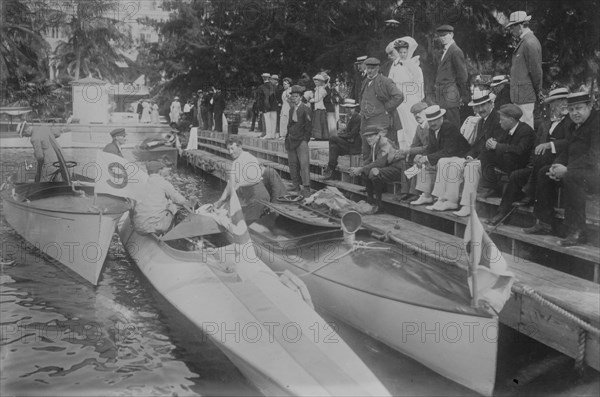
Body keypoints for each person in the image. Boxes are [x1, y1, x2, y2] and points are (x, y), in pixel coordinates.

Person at [523, 92, 599, 247]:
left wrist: (568, 169)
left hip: (594, 172)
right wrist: (556, 166)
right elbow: (568, 149)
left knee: (572, 177)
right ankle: (545, 222)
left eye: (579, 108)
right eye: (571, 110)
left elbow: (595, 155)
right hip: (578, 169)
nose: (575, 113)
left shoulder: (597, 123)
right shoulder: (573, 125)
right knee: (544, 172)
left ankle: (577, 231)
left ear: (590, 106)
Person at [486, 88, 571, 225]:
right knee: (515, 175)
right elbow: (535, 150)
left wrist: (550, 146)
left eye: (562, 101)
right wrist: (531, 165)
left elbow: (569, 145)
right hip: (536, 166)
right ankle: (502, 214)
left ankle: (529, 194)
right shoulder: (546, 125)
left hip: (557, 165)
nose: (558, 106)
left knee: (537, 171)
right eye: (554, 103)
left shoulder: (570, 123)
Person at [450, 91, 505, 216]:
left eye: (483, 105)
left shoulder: (498, 119)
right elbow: (476, 145)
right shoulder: (481, 121)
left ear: (491, 104)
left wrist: (476, 159)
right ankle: (449, 199)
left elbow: (493, 145)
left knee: (472, 166)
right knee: (452, 162)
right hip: (481, 157)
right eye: (477, 106)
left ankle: (467, 206)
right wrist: (469, 156)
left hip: (494, 158)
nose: (480, 109)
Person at [410, 105, 471, 206]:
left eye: (435, 120)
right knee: (422, 163)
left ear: (441, 118)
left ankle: (441, 198)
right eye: (430, 121)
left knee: (434, 161)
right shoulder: (432, 129)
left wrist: (427, 157)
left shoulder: (449, 127)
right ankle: (426, 196)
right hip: (447, 157)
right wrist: (422, 156)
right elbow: (431, 147)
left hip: (460, 156)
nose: (432, 123)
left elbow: (449, 151)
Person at [478, 103, 535, 198]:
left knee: (507, 155)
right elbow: (500, 142)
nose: (500, 122)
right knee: (486, 153)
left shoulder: (525, 130)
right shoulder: (507, 128)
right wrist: (491, 143)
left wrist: (498, 146)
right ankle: (490, 187)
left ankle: (514, 191)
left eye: (502, 120)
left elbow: (520, 150)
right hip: (509, 161)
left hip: (521, 163)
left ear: (511, 120)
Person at [214, 137, 270, 224]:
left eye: (232, 148)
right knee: (239, 219)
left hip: (258, 196)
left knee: (246, 224)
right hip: (250, 196)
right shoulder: (235, 162)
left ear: (240, 147)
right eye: (228, 149)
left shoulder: (249, 158)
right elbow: (231, 184)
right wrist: (221, 199)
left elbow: (255, 179)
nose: (230, 152)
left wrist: (239, 184)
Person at [358, 57, 404, 161]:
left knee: (382, 150)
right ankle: (365, 172)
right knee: (366, 151)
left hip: (380, 122)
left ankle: (382, 173)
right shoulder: (365, 81)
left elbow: (399, 96)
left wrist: (387, 108)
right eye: (368, 68)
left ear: (378, 68)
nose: (369, 71)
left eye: (372, 68)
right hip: (366, 121)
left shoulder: (385, 81)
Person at [349, 126, 400, 213]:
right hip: (386, 167)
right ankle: (370, 200)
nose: (368, 139)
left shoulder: (384, 143)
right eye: (367, 136)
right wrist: (359, 168)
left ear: (377, 135)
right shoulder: (375, 143)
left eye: (371, 136)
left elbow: (380, 163)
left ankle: (379, 205)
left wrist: (361, 169)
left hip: (396, 169)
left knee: (374, 171)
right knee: (367, 170)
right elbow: (369, 159)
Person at [386, 37, 424, 151]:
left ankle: (412, 149)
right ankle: (403, 151)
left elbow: (419, 82)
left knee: (411, 124)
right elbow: (390, 81)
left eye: (404, 52)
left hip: (410, 98)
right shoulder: (395, 65)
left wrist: (418, 99)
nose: (402, 54)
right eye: (400, 52)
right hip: (398, 99)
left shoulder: (413, 65)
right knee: (400, 126)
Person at [506, 11, 543, 129]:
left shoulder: (529, 42)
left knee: (526, 126)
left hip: (525, 93)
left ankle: (528, 148)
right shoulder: (525, 41)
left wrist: (538, 90)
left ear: (520, 25)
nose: (511, 30)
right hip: (521, 94)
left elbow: (536, 71)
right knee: (521, 127)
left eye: (512, 27)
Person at [133, 161, 190, 235]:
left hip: (139, 227)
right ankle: (170, 235)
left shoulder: (143, 183)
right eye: (164, 169)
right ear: (160, 170)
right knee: (174, 207)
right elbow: (181, 200)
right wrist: (188, 202)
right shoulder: (163, 182)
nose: (168, 170)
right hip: (154, 226)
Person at [433, 25, 469, 129]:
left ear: (452, 35)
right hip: (443, 95)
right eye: (440, 36)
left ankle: (456, 145)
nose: (442, 38)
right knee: (445, 126)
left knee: (453, 125)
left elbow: (463, 75)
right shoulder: (446, 50)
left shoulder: (455, 51)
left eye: (445, 35)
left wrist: (460, 93)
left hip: (450, 94)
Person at [393, 102, 430, 202]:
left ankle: (415, 193)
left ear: (426, 112)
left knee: (417, 162)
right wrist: (406, 154)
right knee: (406, 162)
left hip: (432, 154)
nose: (417, 115)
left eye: (419, 112)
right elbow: (415, 144)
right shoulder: (419, 127)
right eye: (415, 114)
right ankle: (406, 191)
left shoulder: (431, 125)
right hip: (423, 153)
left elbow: (428, 147)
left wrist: (408, 151)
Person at [322, 99, 362, 180]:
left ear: (354, 108)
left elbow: (352, 134)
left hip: (355, 146)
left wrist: (340, 135)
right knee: (334, 147)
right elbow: (348, 133)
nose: (348, 110)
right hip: (348, 144)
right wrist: (343, 132)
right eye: (347, 108)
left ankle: (330, 167)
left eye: (351, 108)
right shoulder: (349, 117)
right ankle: (332, 170)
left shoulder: (358, 118)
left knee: (333, 138)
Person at [285, 85, 313, 197]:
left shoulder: (306, 109)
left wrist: (305, 140)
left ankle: (306, 186)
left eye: (296, 96)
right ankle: (295, 185)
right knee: (292, 164)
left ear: (300, 97)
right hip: (291, 140)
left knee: (304, 164)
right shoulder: (291, 109)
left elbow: (308, 126)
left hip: (301, 140)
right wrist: (288, 137)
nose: (294, 98)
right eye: (292, 96)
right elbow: (289, 125)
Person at [310, 73, 330, 140]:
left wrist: (310, 100)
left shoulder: (320, 90)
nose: (315, 82)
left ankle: (320, 136)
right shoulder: (318, 89)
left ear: (321, 82)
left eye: (317, 81)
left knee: (319, 122)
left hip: (320, 107)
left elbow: (317, 99)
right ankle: (320, 136)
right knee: (319, 121)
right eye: (315, 81)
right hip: (318, 107)